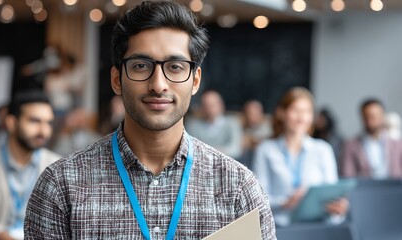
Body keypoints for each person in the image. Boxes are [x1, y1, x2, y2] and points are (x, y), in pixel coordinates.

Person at [24, 1, 276, 239]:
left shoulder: (237, 187)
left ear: (195, 80)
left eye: (175, 67)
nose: (158, 85)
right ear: (116, 79)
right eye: (141, 66)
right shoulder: (61, 185)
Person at [252, 87, 347, 227]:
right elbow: (257, 201)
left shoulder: (323, 149)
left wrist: (338, 208)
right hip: (280, 227)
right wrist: (285, 203)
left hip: (318, 226)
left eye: (307, 111)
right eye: (295, 110)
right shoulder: (265, 150)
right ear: (281, 113)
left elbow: (331, 193)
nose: (301, 117)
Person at [0, 90, 60, 240]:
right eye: (34, 121)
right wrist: (2, 236)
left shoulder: (58, 166)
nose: (43, 131)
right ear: (11, 123)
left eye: (48, 123)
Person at [340, 99, 402, 179]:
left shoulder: (398, 144)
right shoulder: (350, 146)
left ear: (382, 116)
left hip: (395, 189)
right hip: (364, 189)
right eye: (366, 117)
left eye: (373, 117)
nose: (370, 121)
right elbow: (347, 175)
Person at [185, 90, 243, 159]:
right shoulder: (193, 125)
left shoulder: (232, 123)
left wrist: (214, 152)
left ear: (221, 105)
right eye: (206, 105)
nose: (209, 109)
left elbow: (236, 148)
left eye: (212, 105)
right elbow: (189, 148)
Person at [239, 100, 272, 169]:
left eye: (256, 114)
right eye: (250, 113)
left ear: (261, 114)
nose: (252, 117)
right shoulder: (239, 128)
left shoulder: (268, 128)